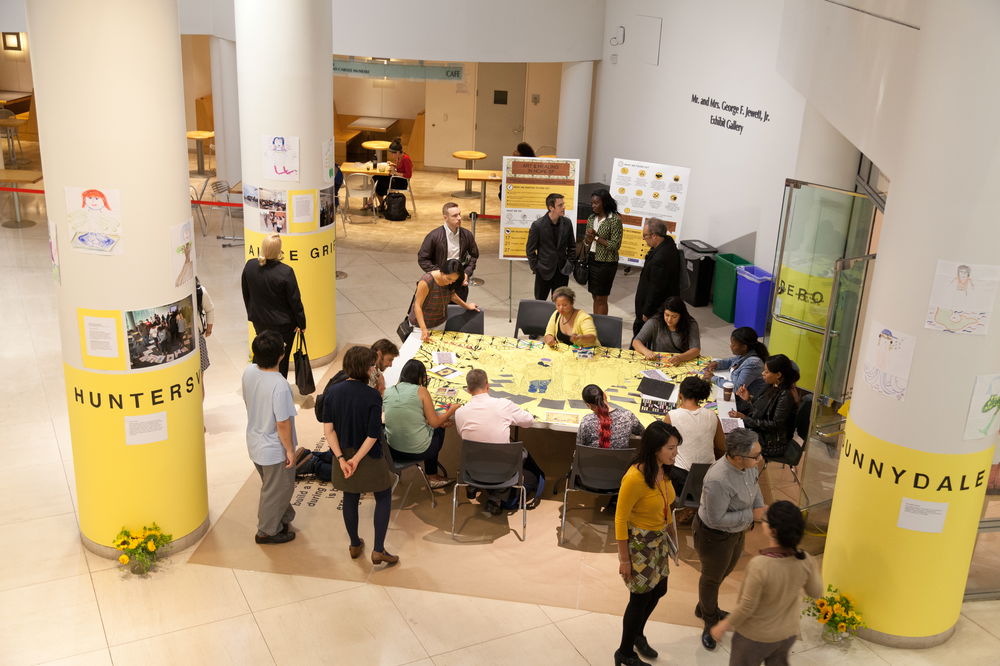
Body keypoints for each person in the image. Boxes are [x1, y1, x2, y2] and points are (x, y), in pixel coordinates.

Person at [710, 500, 822, 666]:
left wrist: (723, 626)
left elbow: (747, 607)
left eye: (765, 519)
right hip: (787, 634)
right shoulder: (805, 559)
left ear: (772, 531)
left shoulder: (760, 565)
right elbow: (816, 592)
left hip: (755, 637)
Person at [321, 346, 398, 566]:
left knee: (350, 497)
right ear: (366, 368)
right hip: (368, 456)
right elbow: (373, 435)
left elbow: (329, 430)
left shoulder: (333, 392)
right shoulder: (372, 395)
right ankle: (378, 549)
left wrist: (342, 459)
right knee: (383, 495)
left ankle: (355, 544)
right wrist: (357, 460)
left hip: (342, 454)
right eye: (373, 365)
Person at [614, 421, 681, 666]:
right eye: (671, 448)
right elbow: (620, 518)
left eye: (676, 447)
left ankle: (637, 634)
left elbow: (667, 504)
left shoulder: (663, 470)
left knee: (659, 590)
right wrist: (624, 559)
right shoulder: (634, 477)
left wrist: (671, 535)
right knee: (639, 598)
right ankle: (624, 652)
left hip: (659, 540)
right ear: (655, 449)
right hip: (640, 545)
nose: (676, 453)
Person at [693, 428, 766, 651]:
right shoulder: (718, 479)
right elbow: (716, 519)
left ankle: (705, 606)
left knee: (726, 570)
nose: (759, 459)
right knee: (712, 578)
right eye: (755, 456)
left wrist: (759, 508)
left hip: (736, 531)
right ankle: (709, 619)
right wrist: (751, 515)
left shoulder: (749, 465)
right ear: (736, 457)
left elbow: (754, 487)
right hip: (714, 536)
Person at [242, 331, 306, 545]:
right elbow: (282, 423)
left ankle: (283, 517)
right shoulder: (279, 385)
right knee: (277, 488)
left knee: (274, 486)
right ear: (281, 355)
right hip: (273, 448)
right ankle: (267, 531)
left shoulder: (249, 372)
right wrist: (289, 450)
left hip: (254, 440)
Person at [454, 368, 544, 513]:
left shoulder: (460, 413)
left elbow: (463, 435)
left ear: (468, 390)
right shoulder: (503, 405)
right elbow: (529, 421)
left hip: (472, 468)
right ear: (488, 386)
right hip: (503, 470)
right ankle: (496, 498)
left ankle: (474, 487)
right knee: (522, 452)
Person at [384, 359, 458, 488]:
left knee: (431, 425)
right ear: (420, 377)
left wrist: (433, 421)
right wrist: (450, 411)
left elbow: (404, 414)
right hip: (418, 451)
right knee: (438, 429)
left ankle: (432, 475)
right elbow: (434, 423)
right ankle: (432, 476)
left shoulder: (388, 391)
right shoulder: (421, 390)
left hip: (392, 451)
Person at [241, 233, 306, 379]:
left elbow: (246, 293)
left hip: (259, 321)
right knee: (280, 360)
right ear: (279, 251)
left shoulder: (250, 266)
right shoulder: (285, 272)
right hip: (283, 326)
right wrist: (301, 323)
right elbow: (295, 301)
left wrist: (252, 312)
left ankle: (257, 382)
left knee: (261, 353)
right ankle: (277, 385)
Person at [729, 354, 801, 458]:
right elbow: (765, 408)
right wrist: (749, 399)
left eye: (766, 372)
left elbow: (774, 425)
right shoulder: (772, 385)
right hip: (762, 430)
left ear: (778, 375)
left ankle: (745, 470)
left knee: (731, 439)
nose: (763, 374)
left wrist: (745, 419)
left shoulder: (786, 395)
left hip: (772, 441)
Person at [663, 377, 725, 496]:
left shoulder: (672, 415)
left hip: (680, 480)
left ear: (680, 396)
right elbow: (721, 448)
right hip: (709, 480)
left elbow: (660, 448)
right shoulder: (712, 415)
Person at [417, 202, 480, 302]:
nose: (459, 218)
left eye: (459, 214)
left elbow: (474, 255)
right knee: (439, 314)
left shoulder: (467, 235)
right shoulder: (434, 236)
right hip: (440, 283)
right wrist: (440, 274)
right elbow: (423, 259)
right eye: (455, 216)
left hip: (459, 283)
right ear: (445, 218)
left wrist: (466, 273)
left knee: (457, 314)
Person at [409, 258, 480, 341]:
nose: (451, 282)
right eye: (449, 279)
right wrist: (423, 329)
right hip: (420, 326)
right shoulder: (426, 281)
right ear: (442, 272)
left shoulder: (450, 282)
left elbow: (452, 295)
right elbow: (417, 306)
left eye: (454, 280)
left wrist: (466, 306)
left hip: (440, 322)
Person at [633, 218, 681, 337]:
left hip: (653, 310)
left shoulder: (661, 258)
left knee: (640, 338)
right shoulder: (668, 245)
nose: (643, 239)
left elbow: (656, 288)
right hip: (660, 306)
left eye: (645, 235)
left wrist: (647, 311)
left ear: (654, 236)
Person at [526, 192, 576, 301]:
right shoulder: (538, 225)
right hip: (543, 271)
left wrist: (570, 264)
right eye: (560, 205)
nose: (564, 207)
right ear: (551, 207)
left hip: (562, 271)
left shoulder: (567, 223)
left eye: (563, 204)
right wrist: (536, 268)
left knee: (560, 304)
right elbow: (530, 250)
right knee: (540, 303)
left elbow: (572, 246)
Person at [584, 188, 623, 315]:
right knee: (595, 296)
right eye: (592, 203)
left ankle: (601, 327)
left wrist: (595, 237)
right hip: (592, 259)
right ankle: (596, 321)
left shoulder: (614, 220)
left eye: (596, 203)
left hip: (606, 263)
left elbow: (615, 245)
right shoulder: (591, 218)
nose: (593, 206)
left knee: (601, 297)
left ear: (604, 203)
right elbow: (587, 242)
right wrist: (588, 239)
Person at [631, 296, 702, 366]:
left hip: (680, 362)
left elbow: (695, 350)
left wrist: (680, 358)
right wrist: (646, 351)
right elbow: (636, 341)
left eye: (674, 316)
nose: (669, 320)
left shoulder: (691, 324)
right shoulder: (655, 321)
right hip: (658, 361)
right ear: (663, 313)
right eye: (667, 315)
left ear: (681, 316)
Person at [703, 327, 768, 400]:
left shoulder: (753, 363)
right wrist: (718, 364)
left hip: (746, 400)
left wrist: (713, 378)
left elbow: (737, 388)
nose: (731, 346)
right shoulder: (745, 353)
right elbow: (732, 361)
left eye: (733, 345)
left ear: (744, 347)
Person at [577, 384, 644, 449]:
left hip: (594, 460)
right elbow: (643, 432)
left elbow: (580, 448)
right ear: (605, 395)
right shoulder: (628, 416)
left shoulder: (586, 422)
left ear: (588, 405)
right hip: (621, 460)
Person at [372, 137, 413, 212]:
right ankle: (381, 204)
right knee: (376, 177)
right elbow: (400, 167)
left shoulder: (406, 159)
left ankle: (382, 204)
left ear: (397, 152)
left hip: (402, 182)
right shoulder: (399, 157)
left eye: (393, 153)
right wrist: (393, 165)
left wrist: (395, 173)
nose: (392, 155)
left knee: (379, 184)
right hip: (396, 178)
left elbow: (408, 175)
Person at [195, 278, 215, 399]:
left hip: (197, 337)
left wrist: (209, 329)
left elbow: (210, 309)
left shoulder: (200, 291)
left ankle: (200, 409)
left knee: (199, 376)